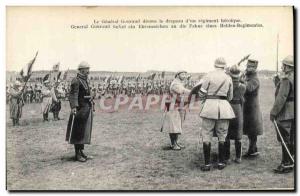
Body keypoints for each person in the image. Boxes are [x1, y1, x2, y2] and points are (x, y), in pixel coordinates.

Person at [198, 57, 235, 171]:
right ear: (224, 66)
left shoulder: (208, 75)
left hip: (209, 107)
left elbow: (202, 93)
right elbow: (230, 96)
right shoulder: (228, 78)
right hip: (224, 107)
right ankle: (221, 163)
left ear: (215, 65)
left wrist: (205, 98)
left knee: (206, 134)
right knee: (222, 135)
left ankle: (207, 164)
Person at [270, 55, 294, 174]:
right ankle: (292, 160)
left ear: (288, 67)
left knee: (285, 139)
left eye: (284, 65)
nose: (282, 67)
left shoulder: (286, 80)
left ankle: (286, 164)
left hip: (286, 113)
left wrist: (273, 113)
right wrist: (277, 83)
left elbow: (281, 98)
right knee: (293, 138)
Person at [66, 61, 93, 162]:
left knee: (83, 131)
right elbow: (73, 94)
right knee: (77, 132)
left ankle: (81, 152)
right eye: (87, 69)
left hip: (85, 108)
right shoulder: (76, 80)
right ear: (82, 70)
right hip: (79, 109)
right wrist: (73, 107)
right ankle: (77, 154)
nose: (88, 71)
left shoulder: (84, 80)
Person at [241, 59, 264, 158]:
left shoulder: (255, 79)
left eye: (250, 67)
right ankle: (253, 149)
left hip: (252, 108)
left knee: (253, 130)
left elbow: (248, 88)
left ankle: (252, 150)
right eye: (247, 66)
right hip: (248, 107)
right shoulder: (248, 76)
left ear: (255, 68)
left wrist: (240, 80)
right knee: (250, 130)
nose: (247, 68)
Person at [224, 65, 246, 164]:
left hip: (228, 107)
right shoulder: (243, 86)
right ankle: (238, 157)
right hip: (238, 108)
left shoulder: (227, 84)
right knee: (238, 133)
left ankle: (227, 158)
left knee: (226, 133)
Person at [164, 71, 191, 150]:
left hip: (179, 105)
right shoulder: (175, 83)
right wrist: (193, 91)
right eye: (182, 74)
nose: (184, 76)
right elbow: (181, 91)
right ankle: (173, 144)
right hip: (173, 106)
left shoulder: (179, 83)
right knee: (174, 126)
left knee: (178, 125)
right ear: (177, 75)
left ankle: (176, 142)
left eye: (185, 74)